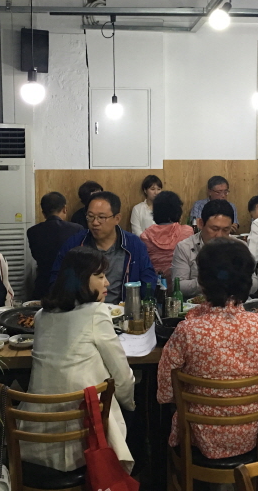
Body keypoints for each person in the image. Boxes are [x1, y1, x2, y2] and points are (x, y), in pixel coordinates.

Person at [157, 238, 258, 459]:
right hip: (253, 433)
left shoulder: (188, 330)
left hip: (199, 435)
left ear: (203, 282)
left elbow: (166, 392)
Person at [20, 247, 136, 473]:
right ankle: (118, 479)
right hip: (84, 440)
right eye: (100, 276)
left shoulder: (42, 316)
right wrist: (130, 403)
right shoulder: (96, 312)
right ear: (82, 279)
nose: (107, 283)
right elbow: (122, 376)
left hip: (35, 438)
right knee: (133, 409)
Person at [51, 191, 156, 304]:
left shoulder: (134, 245)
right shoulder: (75, 244)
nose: (95, 223)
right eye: (90, 216)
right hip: (83, 310)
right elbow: (57, 281)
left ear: (117, 218)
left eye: (101, 217)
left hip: (123, 310)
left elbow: (148, 281)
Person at [171, 199, 258, 298]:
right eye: (214, 229)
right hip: (199, 303)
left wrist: (235, 281)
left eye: (226, 230)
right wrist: (210, 282)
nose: (219, 235)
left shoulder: (239, 247)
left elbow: (254, 284)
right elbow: (179, 286)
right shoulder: (185, 247)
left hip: (234, 302)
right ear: (201, 223)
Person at [27, 192, 83, 299]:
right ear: (65, 209)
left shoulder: (32, 231)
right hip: (69, 284)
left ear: (43, 213)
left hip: (43, 284)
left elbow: (35, 255)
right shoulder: (77, 229)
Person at [140, 191, 193, 283]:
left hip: (155, 285)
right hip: (182, 285)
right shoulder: (187, 232)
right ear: (178, 211)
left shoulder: (145, 236)